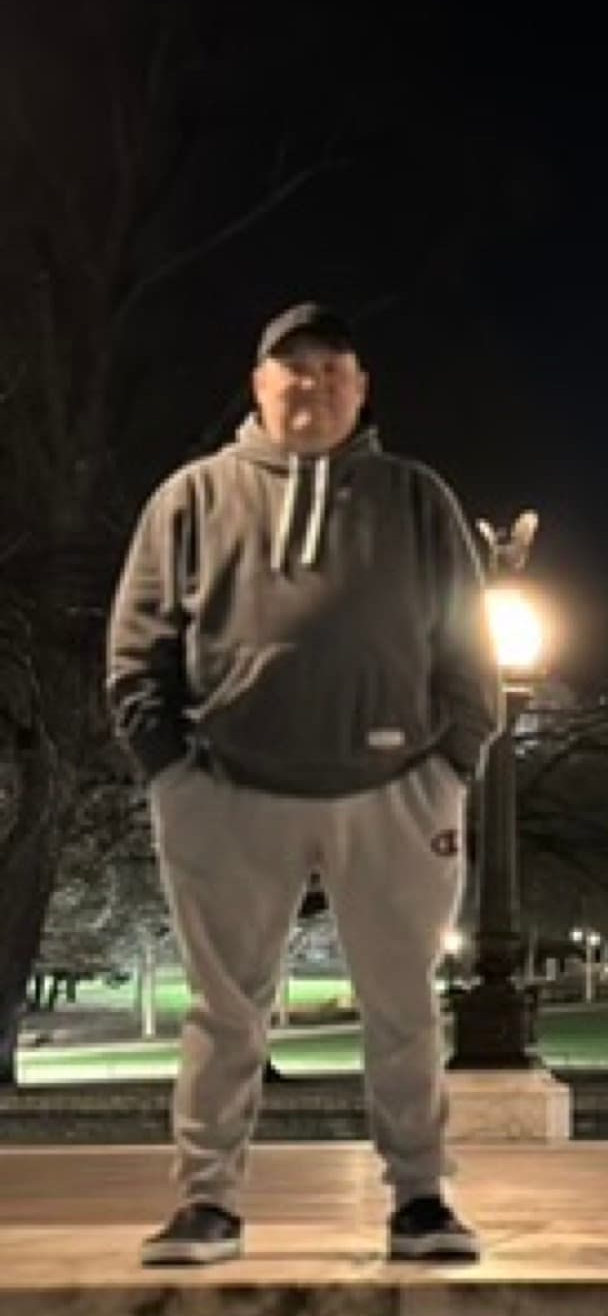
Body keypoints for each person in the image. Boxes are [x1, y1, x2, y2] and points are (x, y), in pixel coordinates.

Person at [107, 303, 501, 1266]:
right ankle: (207, 1201)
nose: (312, 385)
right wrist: (171, 769)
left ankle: (419, 1197)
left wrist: (455, 759)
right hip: (228, 791)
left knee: (402, 1001)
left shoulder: (414, 498)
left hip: (394, 787)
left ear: (361, 389)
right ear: (259, 386)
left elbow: (467, 638)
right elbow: (138, 646)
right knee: (224, 1006)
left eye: (332, 368)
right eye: (293, 368)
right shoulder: (194, 498)